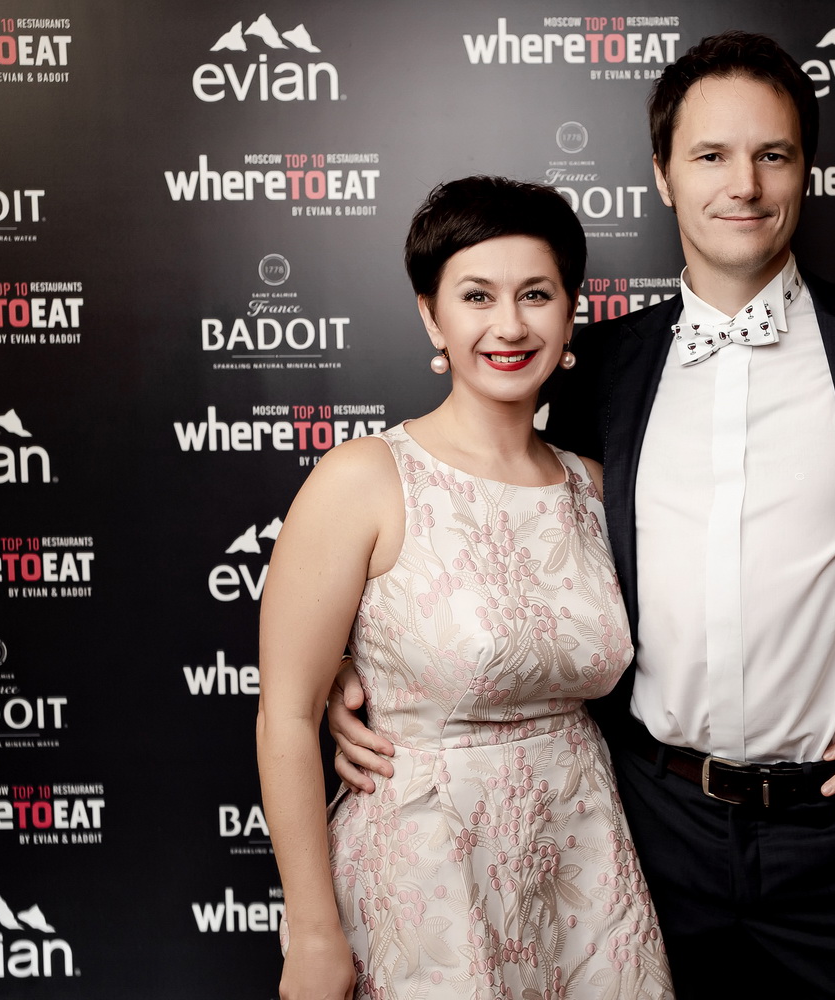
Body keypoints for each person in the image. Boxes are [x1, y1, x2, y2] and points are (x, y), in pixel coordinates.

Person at [331, 33, 835, 999]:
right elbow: (488, 537)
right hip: (645, 835)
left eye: (771, 154)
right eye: (710, 155)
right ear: (662, 176)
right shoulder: (599, 367)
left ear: (805, 170)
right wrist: (360, 677)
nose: (742, 184)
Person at [257, 176, 672, 1000]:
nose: (509, 326)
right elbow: (286, 715)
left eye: (536, 295)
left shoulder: (596, 489)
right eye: (477, 296)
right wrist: (313, 931)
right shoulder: (365, 478)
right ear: (431, 316)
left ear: (571, 313)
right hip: (427, 873)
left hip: (586, 868)